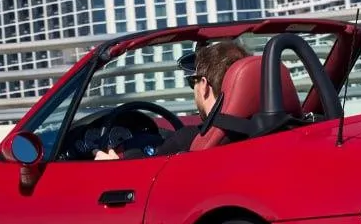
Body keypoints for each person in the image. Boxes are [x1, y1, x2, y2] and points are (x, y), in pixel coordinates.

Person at [94, 39, 249, 160]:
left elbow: (145, 183)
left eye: (192, 82)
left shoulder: (187, 141)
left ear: (203, 86)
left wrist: (113, 165)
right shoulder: (264, 131)